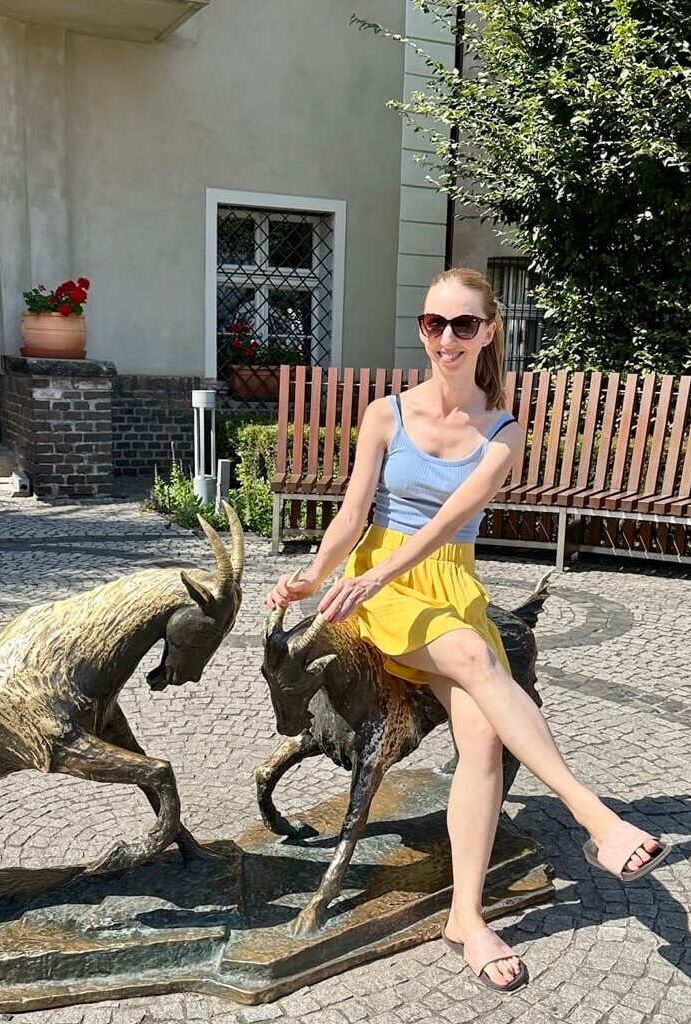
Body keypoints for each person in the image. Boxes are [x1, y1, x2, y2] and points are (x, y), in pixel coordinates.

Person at [264, 267, 670, 993]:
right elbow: (354, 516)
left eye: (461, 325)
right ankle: (596, 819)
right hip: (382, 585)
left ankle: (467, 917)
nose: (445, 338)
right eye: (432, 324)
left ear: (488, 333)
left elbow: (453, 520)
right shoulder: (385, 414)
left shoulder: (502, 430)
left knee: (481, 736)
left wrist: (381, 576)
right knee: (481, 656)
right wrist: (315, 577)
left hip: (448, 583)